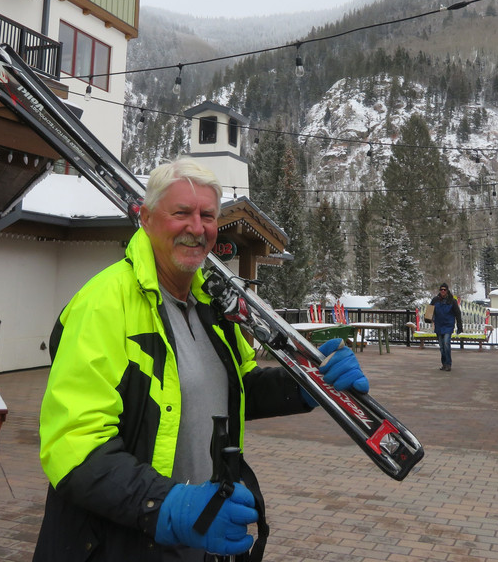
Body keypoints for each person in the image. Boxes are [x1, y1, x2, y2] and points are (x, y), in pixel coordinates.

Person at [32, 156, 369, 562]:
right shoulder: (102, 304)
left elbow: (235, 388)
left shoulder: (212, 306)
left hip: (201, 537)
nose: (197, 228)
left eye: (207, 216)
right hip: (117, 543)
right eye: (181, 213)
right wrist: (166, 506)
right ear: (147, 219)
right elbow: (74, 445)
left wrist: (307, 382)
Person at [430, 283, 463, 371]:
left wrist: (459, 326)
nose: (443, 291)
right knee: (441, 346)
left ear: (447, 290)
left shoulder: (452, 301)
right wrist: (428, 318)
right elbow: (430, 310)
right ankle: (444, 363)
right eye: (441, 289)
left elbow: (458, 313)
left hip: (448, 325)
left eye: (444, 289)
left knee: (446, 343)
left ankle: (448, 364)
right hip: (438, 325)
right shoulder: (435, 300)